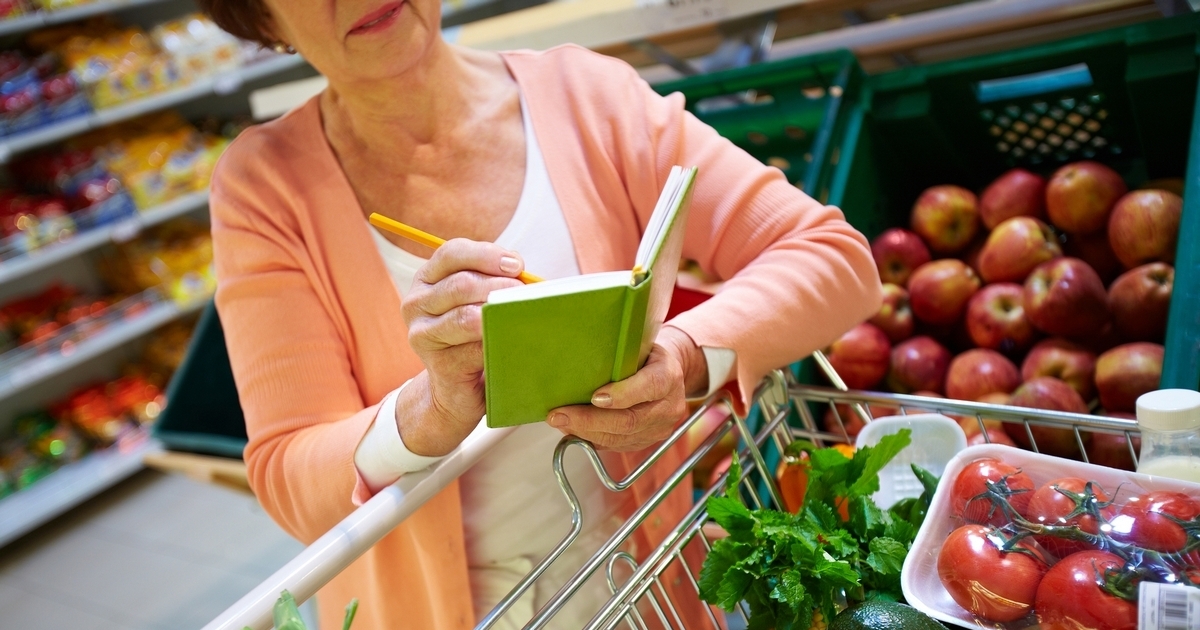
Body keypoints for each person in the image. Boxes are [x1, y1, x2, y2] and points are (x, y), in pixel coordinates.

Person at [198, 1, 882, 628]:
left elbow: (832, 259)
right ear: (261, 18)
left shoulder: (587, 99)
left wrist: (683, 355)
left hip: (648, 589)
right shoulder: (266, 187)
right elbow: (289, 475)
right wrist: (426, 414)